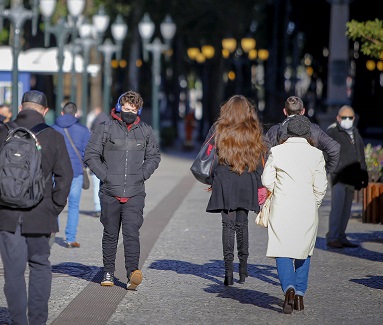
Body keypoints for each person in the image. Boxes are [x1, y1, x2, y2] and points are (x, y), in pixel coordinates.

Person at [0, 90, 73, 324]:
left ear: (21, 107)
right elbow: (65, 176)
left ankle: (18, 320)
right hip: (41, 213)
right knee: (40, 266)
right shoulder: (53, 137)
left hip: (7, 213)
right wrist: (55, 207)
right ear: (45, 110)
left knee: (13, 272)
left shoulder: (3, 132)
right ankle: (38, 320)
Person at [84, 90, 161, 290]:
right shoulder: (105, 128)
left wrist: (142, 174)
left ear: (139, 110)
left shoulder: (145, 131)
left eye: (133, 109)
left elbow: (154, 157)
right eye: (126, 108)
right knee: (110, 234)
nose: (129, 112)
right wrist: (106, 176)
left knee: (131, 234)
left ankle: (132, 273)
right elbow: (91, 155)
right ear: (119, 107)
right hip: (110, 191)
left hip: (135, 192)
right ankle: (108, 271)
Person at [262, 115, 328, 314]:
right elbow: (321, 187)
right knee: (304, 249)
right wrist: (314, 202)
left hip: (282, 206)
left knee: (282, 249)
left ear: (288, 132)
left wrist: (279, 190)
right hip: (307, 207)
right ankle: (299, 294)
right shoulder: (316, 154)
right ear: (308, 133)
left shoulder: (277, 151)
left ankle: (288, 288)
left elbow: (266, 180)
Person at [204, 95, 266, 286]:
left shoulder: (219, 128)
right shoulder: (253, 129)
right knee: (242, 224)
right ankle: (243, 270)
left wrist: (213, 179)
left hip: (224, 178)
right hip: (246, 178)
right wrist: (261, 185)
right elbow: (259, 158)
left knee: (227, 226)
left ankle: (228, 271)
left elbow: (210, 154)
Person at [326, 105, 368, 248]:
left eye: (350, 118)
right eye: (344, 117)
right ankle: (332, 237)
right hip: (339, 177)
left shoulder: (355, 132)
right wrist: (334, 170)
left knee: (346, 209)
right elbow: (327, 154)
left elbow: (360, 154)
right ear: (338, 118)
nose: (347, 120)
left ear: (354, 118)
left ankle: (341, 235)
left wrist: (364, 174)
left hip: (352, 177)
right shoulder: (332, 132)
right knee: (337, 208)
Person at [264, 96, 340, 174]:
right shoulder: (314, 129)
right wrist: (325, 171)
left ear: (285, 111)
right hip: (309, 180)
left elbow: (265, 155)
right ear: (303, 111)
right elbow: (334, 148)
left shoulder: (274, 131)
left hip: (282, 181)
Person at [52, 102, 91, 248]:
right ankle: (70, 239)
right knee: (74, 205)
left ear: (62, 113)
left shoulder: (53, 128)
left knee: (55, 202)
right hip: (75, 172)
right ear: (76, 114)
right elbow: (87, 153)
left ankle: (51, 233)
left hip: (56, 172)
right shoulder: (83, 130)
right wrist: (84, 166)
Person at [89, 106, 111, 218]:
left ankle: (98, 207)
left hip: (97, 161)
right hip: (105, 163)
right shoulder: (108, 125)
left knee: (96, 184)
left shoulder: (96, 129)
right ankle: (104, 207)